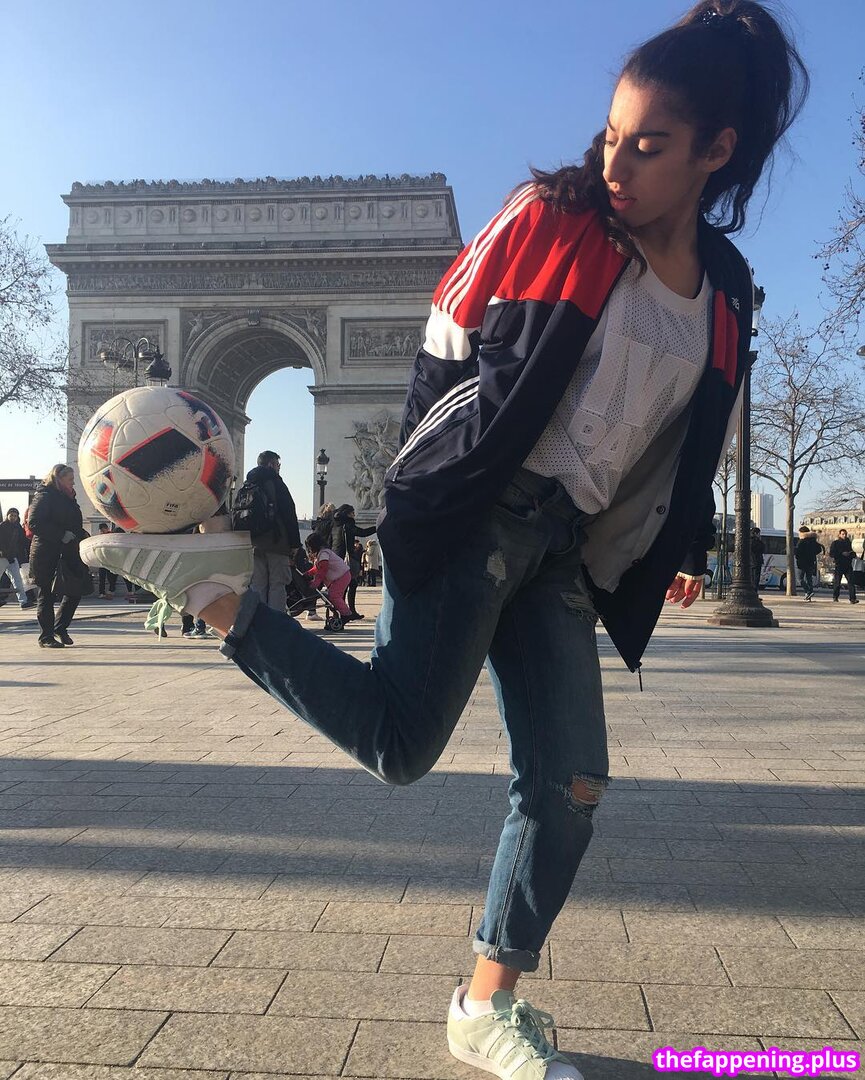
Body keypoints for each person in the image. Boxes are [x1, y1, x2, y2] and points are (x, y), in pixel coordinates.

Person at [82, 4, 808, 1075]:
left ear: (716, 150)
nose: (615, 164)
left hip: (564, 548)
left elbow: (692, 433)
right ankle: (218, 598)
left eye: (649, 145)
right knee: (400, 748)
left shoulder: (729, 291)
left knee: (571, 784)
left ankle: (482, 1004)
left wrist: (680, 544)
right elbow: (441, 341)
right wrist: (430, 481)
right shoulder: (551, 216)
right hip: (476, 514)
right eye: (610, 135)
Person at [28, 464, 88, 647]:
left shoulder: (69, 498)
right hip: (45, 552)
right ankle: (46, 637)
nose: (73, 483)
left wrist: (83, 535)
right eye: (70, 479)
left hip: (68, 551)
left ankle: (60, 627)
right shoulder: (45, 495)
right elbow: (34, 522)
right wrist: (60, 534)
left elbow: (73, 523)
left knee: (76, 589)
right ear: (59, 479)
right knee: (46, 594)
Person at [246, 451, 301, 611]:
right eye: (278, 465)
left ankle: (260, 620)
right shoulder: (276, 483)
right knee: (278, 584)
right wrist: (295, 544)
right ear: (271, 464)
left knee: (258, 585)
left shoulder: (248, 484)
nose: (279, 468)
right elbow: (289, 513)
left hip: (254, 543)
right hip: (277, 542)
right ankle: (275, 622)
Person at [304, 533, 352, 620]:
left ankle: (346, 614)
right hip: (342, 575)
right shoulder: (322, 554)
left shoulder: (324, 554)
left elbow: (323, 569)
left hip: (342, 576)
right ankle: (339, 614)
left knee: (333, 595)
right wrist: (308, 573)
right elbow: (318, 568)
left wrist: (315, 582)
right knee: (334, 597)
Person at [0, 508, 34, 609]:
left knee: (17, 580)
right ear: (7, 515)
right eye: (11, 515)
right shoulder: (2, 526)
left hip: (12, 558)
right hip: (2, 557)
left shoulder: (17, 527)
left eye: (15, 516)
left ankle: (23, 602)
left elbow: (23, 541)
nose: (13, 518)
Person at [829, 528, 858, 603]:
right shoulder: (835, 543)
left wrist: (851, 554)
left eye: (845, 534)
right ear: (839, 535)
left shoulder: (848, 543)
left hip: (848, 565)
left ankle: (852, 599)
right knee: (837, 582)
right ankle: (835, 597)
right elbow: (831, 554)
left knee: (851, 582)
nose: (844, 535)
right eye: (843, 534)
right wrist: (841, 553)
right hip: (839, 564)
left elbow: (853, 552)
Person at [795, 526, 823, 601]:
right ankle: (809, 595)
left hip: (802, 562)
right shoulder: (813, 540)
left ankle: (808, 591)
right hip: (811, 562)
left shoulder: (801, 541)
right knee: (809, 579)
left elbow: (797, 551)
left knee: (799, 578)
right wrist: (812, 554)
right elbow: (819, 549)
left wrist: (798, 555)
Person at [750, 526, 765, 591]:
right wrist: (760, 540)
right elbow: (762, 549)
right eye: (759, 533)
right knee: (756, 578)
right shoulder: (756, 541)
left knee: (752, 578)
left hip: (750, 562)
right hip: (756, 561)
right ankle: (754, 591)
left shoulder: (748, 540)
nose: (759, 535)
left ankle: (753, 590)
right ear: (756, 533)